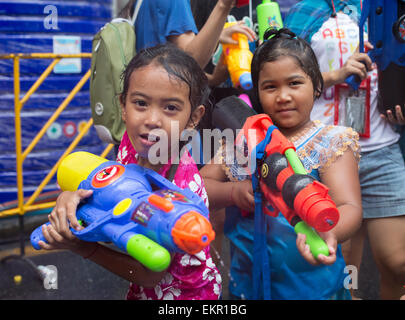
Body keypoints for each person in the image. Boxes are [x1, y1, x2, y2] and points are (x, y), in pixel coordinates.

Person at [37, 44, 222, 300]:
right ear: (123, 106)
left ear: (193, 118)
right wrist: (71, 199)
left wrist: (84, 248)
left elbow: (150, 274)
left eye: (170, 108)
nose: (152, 120)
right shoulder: (132, 142)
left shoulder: (180, 187)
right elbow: (111, 196)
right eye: (141, 103)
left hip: (184, 295)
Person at [200, 28, 363, 299]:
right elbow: (199, 185)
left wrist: (327, 231)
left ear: (317, 85)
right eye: (270, 87)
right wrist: (234, 193)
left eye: (295, 83)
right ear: (258, 94)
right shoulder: (244, 142)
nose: (283, 96)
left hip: (313, 288)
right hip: (248, 286)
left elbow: (350, 206)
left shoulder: (328, 142)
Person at [285, 0, 405, 300]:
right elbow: (280, 78)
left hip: (381, 146)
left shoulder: (387, 5)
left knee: (397, 262)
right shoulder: (306, 10)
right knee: (341, 263)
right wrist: (337, 74)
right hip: (325, 150)